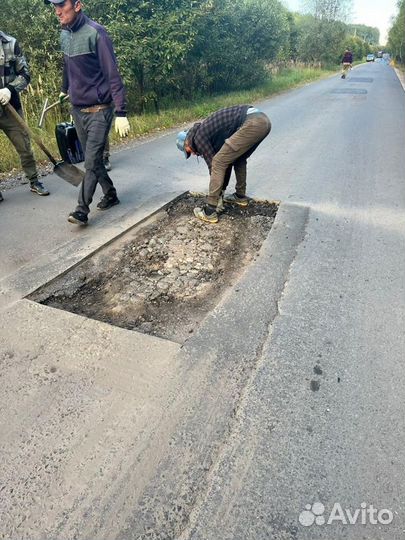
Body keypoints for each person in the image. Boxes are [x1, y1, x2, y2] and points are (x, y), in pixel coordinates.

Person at [46, 0, 131, 225]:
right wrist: (65, 89)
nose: (57, 11)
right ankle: (110, 194)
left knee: (91, 161)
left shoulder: (97, 33)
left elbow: (113, 75)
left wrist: (121, 112)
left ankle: (81, 209)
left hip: (100, 110)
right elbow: (67, 64)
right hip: (78, 109)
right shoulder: (65, 33)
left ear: (78, 5)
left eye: (61, 5)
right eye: (54, 6)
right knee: (93, 161)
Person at [176, 105, 271, 223]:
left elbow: (215, 165)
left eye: (188, 151)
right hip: (263, 121)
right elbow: (227, 162)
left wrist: (219, 194)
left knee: (218, 161)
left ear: (186, 142)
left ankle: (209, 211)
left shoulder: (198, 137)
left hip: (252, 123)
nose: (193, 154)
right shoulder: (207, 132)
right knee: (238, 158)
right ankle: (240, 196)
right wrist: (222, 188)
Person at [0, 30, 50, 203]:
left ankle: (34, 181)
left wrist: (10, 89)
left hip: (10, 107)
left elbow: (25, 74)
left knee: (25, 147)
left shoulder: (11, 44)